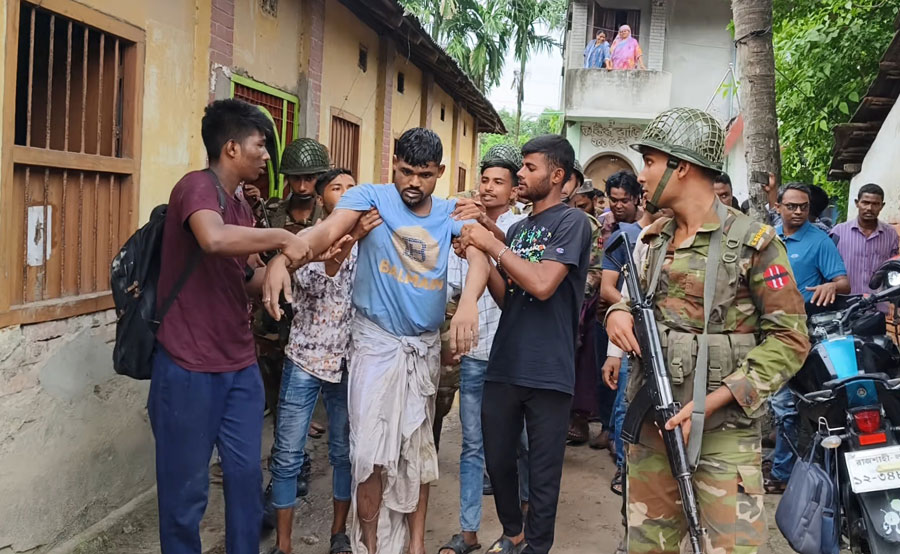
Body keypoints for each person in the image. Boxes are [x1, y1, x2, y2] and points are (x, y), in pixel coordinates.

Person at [261, 127, 490, 554]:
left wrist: (469, 303)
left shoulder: (449, 212)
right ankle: (368, 545)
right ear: (394, 167)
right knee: (368, 455)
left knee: (417, 454)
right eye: (405, 172)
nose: (413, 183)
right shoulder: (369, 198)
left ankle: (415, 546)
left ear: (439, 172)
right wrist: (284, 258)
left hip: (421, 350)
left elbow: (477, 256)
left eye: (423, 174)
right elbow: (324, 233)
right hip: (373, 345)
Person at [605, 107, 809, 554]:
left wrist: (712, 401)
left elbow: (790, 340)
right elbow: (635, 300)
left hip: (724, 435)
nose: (642, 174)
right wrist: (616, 313)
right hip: (654, 427)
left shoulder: (755, 243)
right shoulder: (653, 239)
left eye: (652, 162)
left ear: (682, 167)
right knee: (647, 546)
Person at [149, 99, 316, 554]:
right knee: (185, 493)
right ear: (230, 148)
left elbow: (246, 281)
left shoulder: (243, 208)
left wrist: (293, 263)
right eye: (260, 145)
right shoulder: (196, 189)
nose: (267, 156)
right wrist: (284, 237)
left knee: (245, 482)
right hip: (187, 365)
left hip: (239, 366)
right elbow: (212, 238)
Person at [458, 135, 593, 554]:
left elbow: (541, 284)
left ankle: (536, 547)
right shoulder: (519, 228)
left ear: (557, 175)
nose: (521, 173)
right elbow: (510, 295)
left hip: (549, 370)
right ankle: (514, 532)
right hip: (505, 363)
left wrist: (492, 244)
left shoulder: (572, 223)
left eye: (530, 168)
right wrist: (481, 256)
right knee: (497, 461)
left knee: (543, 472)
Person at [265, 169, 382, 554]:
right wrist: (348, 243)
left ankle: (339, 535)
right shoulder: (305, 241)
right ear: (322, 198)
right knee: (287, 454)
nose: (347, 194)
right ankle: (284, 544)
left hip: (348, 362)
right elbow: (316, 285)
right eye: (337, 188)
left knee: (343, 454)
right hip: (304, 360)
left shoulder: (371, 242)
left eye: (353, 188)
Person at [438, 144, 530, 554]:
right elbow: (456, 286)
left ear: (514, 191)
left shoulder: (523, 229)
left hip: (513, 356)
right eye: (485, 180)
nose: (489, 188)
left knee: (521, 444)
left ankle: (522, 531)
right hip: (477, 355)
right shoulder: (462, 225)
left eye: (499, 182)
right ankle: (469, 530)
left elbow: (523, 283)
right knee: (473, 444)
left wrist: (485, 236)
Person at [255, 138, 332, 505]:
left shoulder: (332, 215)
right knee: (278, 400)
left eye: (308, 179)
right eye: (295, 179)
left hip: (316, 321)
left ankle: (296, 464)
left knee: (303, 400)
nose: (301, 187)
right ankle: (291, 463)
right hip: (274, 320)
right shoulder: (269, 211)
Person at [766, 182, 848, 494]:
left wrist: (831, 286)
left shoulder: (819, 241)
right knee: (777, 405)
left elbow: (843, 282)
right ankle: (783, 466)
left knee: (788, 405)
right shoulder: (770, 238)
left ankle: (784, 474)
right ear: (779, 206)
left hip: (803, 334)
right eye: (792, 206)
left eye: (803, 206)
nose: (799, 211)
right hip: (768, 332)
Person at [590, 171, 642, 451]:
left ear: (636, 199)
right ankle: (608, 429)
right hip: (605, 315)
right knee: (608, 374)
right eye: (614, 200)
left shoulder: (647, 231)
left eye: (624, 200)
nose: (618, 206)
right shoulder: (603, 227)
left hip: (633, 317)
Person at [831, 183, 898, 296]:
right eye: (865, 203)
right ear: (857, 203)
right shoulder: (838, 232)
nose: (869, 208)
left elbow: (893, 270)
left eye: (875, 204)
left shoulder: (890, 234)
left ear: (882, 206)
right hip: (846, 304)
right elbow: (829, 266)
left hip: (878, 303)